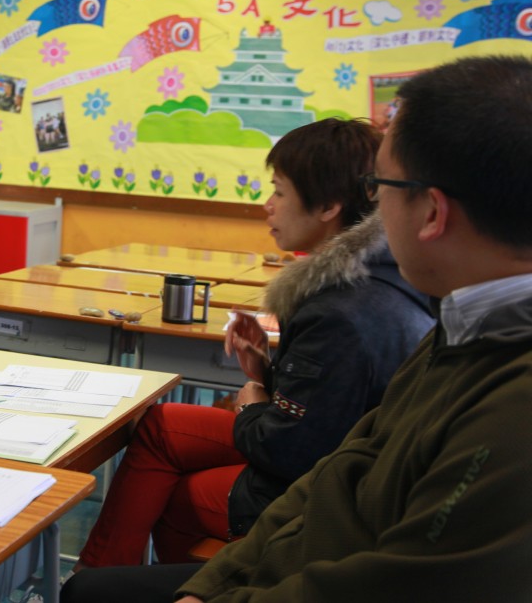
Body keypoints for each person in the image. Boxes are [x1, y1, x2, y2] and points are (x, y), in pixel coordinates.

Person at [63, 55, 532, 602]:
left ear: (432, 212)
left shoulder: (499, 393)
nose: (374, 207)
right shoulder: (457, 324)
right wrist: (212, 585)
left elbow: (400, 577)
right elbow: (342, 469)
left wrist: (253, 401)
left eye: (380, 185)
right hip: (312, 531)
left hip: (321, 545)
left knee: (106, 578)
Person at [71, 118, 433, 572]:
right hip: (334, 456)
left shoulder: (340, 311)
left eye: (279, 192)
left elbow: (292, 449)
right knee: (162, 425)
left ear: (327, 206)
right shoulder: (379, 275)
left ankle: (177, 588)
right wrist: (266, 370)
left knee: (178, 496)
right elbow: (327, 402)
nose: (268, 205)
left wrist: (251, 405)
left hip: (326, 490)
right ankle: (98, 575)